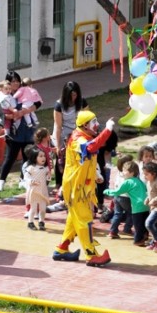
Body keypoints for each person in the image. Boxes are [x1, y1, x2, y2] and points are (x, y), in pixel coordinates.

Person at [53, 110, 114, 267]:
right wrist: (107, 131)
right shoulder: (77, 139)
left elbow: (86, 161)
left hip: (83, 186)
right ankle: (91, 254)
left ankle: (62, 249)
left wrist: (95, 174)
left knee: (74, 219)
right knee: (85, 219)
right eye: (93, 122)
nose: (97, 124)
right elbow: (91, 148)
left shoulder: (85, 136)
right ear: (85, 125)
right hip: (76, 188)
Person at [0, 71, 40, 193]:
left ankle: (23, 180)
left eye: (17, 81)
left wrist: (25, 111)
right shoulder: (4, 95)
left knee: (27, 155)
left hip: (27, 127)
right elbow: (1, 111)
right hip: (13, 129)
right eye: (12, 81)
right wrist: (10, 116)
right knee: (11, 156)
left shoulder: (25, 91)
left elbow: (38, 103)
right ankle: (1, 181)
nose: (15, 83)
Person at [52, 81, 90, 194]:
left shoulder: (82, 102)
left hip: (78, 132)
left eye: (75, 95)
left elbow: (87, 120)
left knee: (77, 157)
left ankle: (77, 179)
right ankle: (59, 183)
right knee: (61, 158)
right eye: (71, 95)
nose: (73, 98)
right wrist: (58, 145)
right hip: (63, 131)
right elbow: (58, 126)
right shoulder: (59, 105)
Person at [103, 161, 149, 247]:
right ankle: (145, 236)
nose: (123, 172)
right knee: (143, 223)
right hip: (146, 205)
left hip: (137, 206)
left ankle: (138, 240)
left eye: (125, 170)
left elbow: (118, 191)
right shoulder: (139, 181)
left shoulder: (128, 182)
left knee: (137, 225)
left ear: (132, 173)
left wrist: (107, 191)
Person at [24, 145, 52, 231]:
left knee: (43, 209)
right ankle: (30, 222)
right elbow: (26, 177)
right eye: (40, 156)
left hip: (43, 191)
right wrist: (32, 181)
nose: (43, 158)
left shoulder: (46, 169)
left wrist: (49, 176)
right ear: (34, 157)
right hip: (34, 191)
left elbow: (48, 178)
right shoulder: (31, 168)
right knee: (33, 208)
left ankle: (41, 222)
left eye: (44, 156)